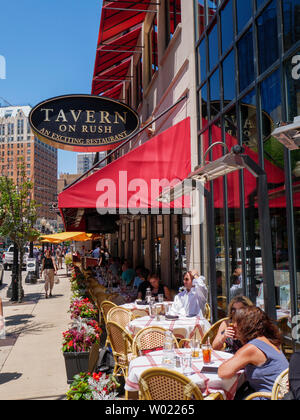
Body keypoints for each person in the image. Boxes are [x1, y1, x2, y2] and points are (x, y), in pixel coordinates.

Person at [218, 306, 289, 400]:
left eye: (236, 324)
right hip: (281, 395)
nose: (233, 327)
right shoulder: (268, 340)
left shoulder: (252, 348)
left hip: (269, 397)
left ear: (245, 326)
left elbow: (223, 372)